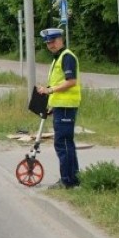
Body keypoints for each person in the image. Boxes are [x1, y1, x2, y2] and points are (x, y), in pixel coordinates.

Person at [36, 28, 81, 188]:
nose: (50, 45)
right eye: (48, 43)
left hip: (67, 107)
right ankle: (73, 179)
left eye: (53, 41)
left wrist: (49, 90)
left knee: (63, 143)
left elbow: (71, 81)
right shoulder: (58, 58)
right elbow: (59, 83)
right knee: (66, 143)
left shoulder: (67, 57)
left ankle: (68, 181)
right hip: (61, 106)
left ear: (61, 40)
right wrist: (52, 106)